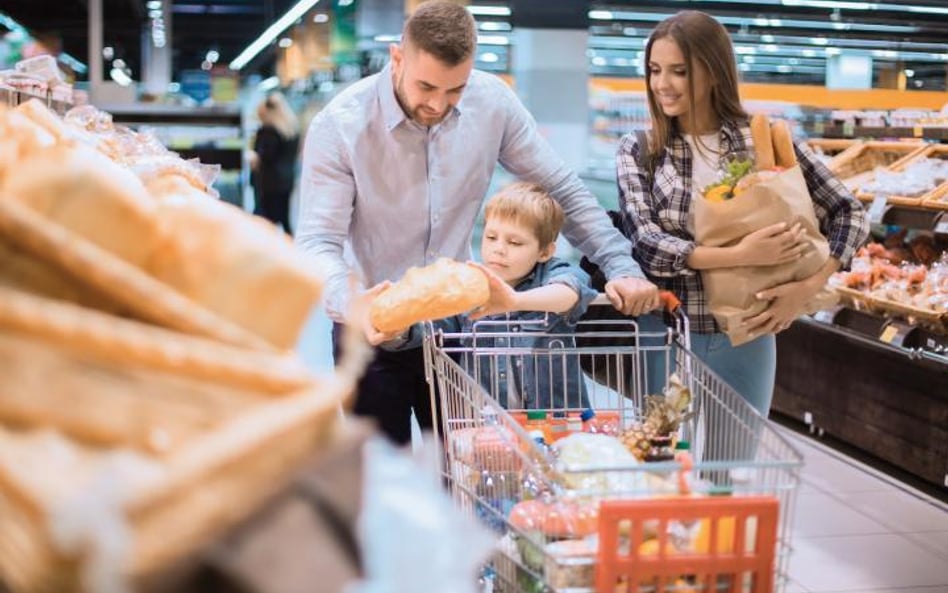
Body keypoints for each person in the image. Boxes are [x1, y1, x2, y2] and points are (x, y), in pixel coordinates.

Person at [296, 1, 659, 444]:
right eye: (426, 86)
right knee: (380, 482)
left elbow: (562, 189)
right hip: (370, 329)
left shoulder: (492, 103)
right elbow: (317, 242)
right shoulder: (341, 126)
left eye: (455, 90)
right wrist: (353, 304)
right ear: (397, 58)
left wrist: (621, 264)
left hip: (458, 332)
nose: (438, 104)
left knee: (472, 475)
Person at [616, 10, 869, 417]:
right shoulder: (642, 149)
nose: (662, 84)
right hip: (665, 330)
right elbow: (647, 244)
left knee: (730, 473)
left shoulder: (763, 139)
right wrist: (743, 254)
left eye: (679, 71)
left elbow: (849, 213)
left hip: (748, 332)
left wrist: (809, 288)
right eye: (655, 70)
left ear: (713, 71)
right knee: (660, 466)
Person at [381, 182, 598, 411]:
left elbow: (571, 291)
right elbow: (428, 327)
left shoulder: (553, 273)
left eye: (515, 242)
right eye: (491, 237)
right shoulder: (468, 287)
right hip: (489, 427)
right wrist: (397, 330)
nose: (499, 249)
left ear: (544, 252)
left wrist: (516, 301)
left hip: (559, 422)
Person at [251, 92, 299, 234]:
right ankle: (289, 251)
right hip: (287, 180)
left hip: (269, 182)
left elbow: (265, 156)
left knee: (265, 222)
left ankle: (269, 252)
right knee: (284, 219)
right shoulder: (292, 130)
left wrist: (254, 157)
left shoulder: (268, 131)